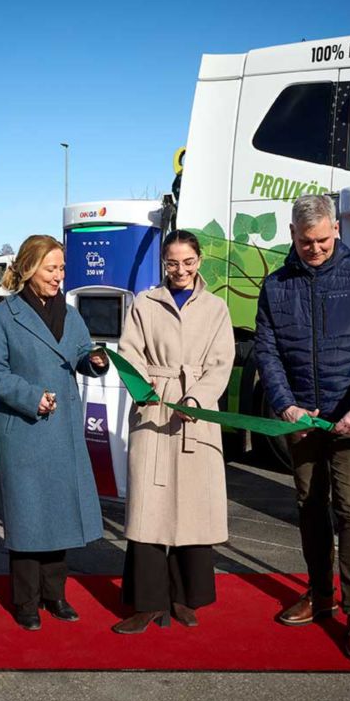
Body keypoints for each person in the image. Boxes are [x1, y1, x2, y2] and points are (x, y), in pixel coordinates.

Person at [253, 194, 350, 663]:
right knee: (309, 504)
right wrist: (284, 403)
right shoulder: (276, 286)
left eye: (321, 239)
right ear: (291, 235)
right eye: (304, 241)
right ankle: (320, 595)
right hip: (302, 418)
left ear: (336, 229)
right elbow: (267, 350)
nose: (313, 248)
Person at [0, 235, 110, 631]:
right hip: (24, 431)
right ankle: (26, 603)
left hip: (63, 428)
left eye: (62, 268)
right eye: (52, 269)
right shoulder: (3, 317)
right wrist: (32, 397)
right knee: (28, 518)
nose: (59, 276)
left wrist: (96, 361)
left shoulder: (71, 314)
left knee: (60, 515)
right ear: (30, 269)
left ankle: (56, 595)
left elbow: (83, 354)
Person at [113, 230, 235, 634]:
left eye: (188, 262)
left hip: (197, 414)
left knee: (193, 506)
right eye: (172, 263)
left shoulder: (217, 308)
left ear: (199, 261)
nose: (180, 270)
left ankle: (186, 597)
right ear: (163, 263)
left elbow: (221, 362)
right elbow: (129, 351)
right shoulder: (144, 304)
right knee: (149, 505)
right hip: (155, 408)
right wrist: (145, 389)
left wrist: (197, 400)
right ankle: (147, 602)